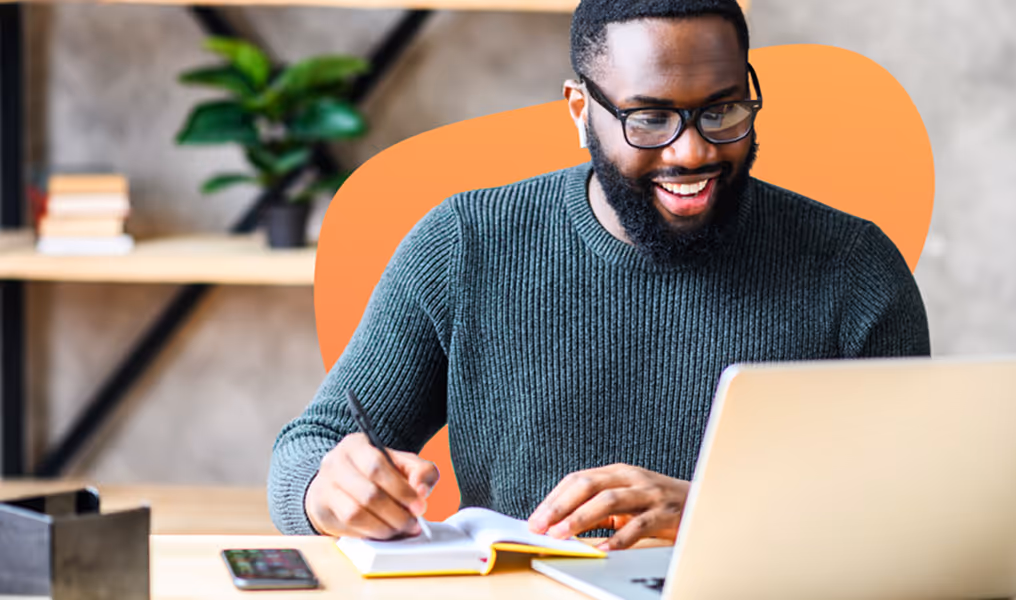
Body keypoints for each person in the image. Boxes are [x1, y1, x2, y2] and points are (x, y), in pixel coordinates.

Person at [268, 0, 930, 551]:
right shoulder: (466, 244)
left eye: (722, 111)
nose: (692, 150)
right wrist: (330, 490)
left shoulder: (854, 267)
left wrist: (710, 511)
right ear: (579, 109)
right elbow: (306, 450)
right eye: (649, 119)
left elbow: (917, 511)